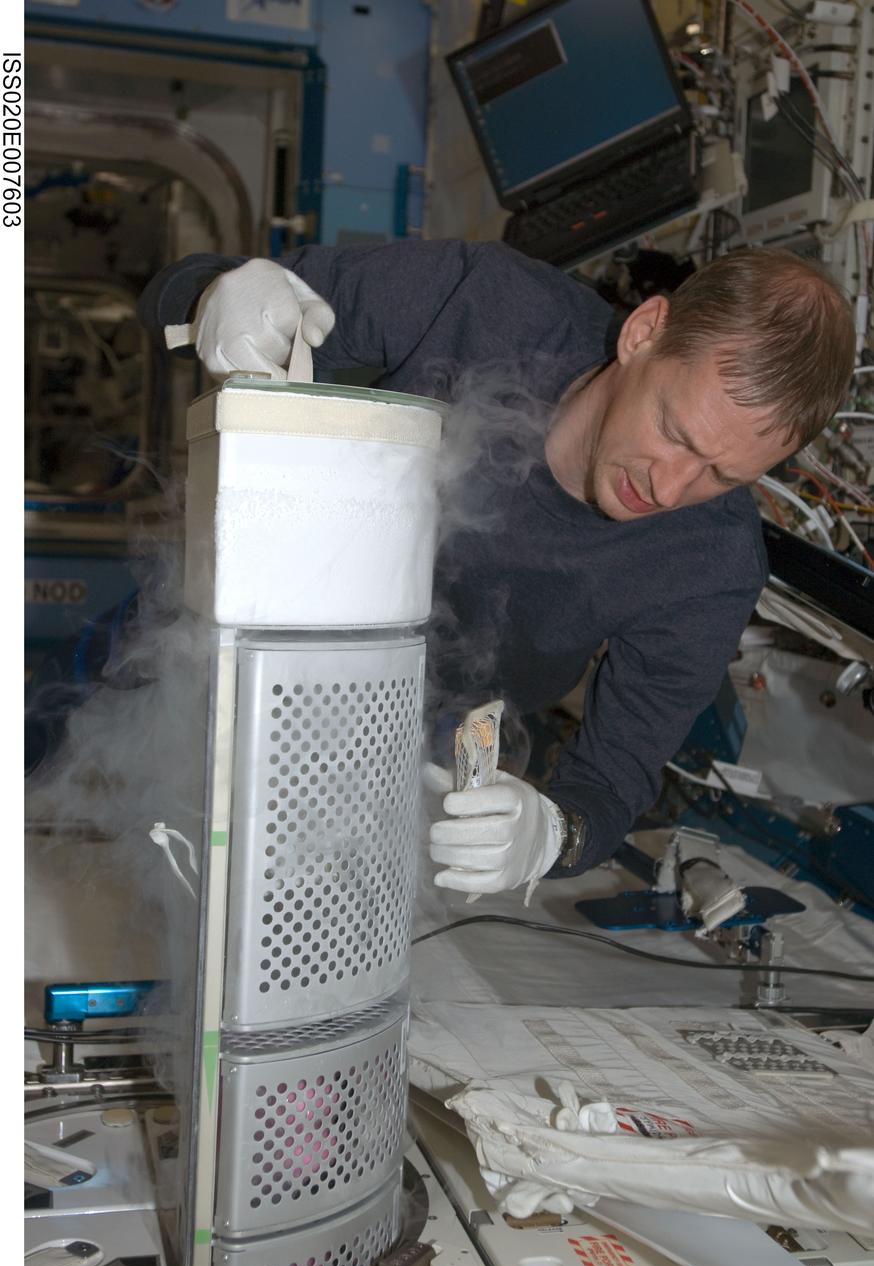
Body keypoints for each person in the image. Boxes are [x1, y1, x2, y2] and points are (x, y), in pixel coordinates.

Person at [139, 239, 855, 902]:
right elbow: (168, 295)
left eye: (721, 475)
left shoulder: (711, 562)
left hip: (419, 749)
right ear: (644, 332)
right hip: (242, 636)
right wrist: (216, 298)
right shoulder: (484, 305)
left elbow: (613, 778)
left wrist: (552, 833)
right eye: (674, 431)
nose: (669, 488)